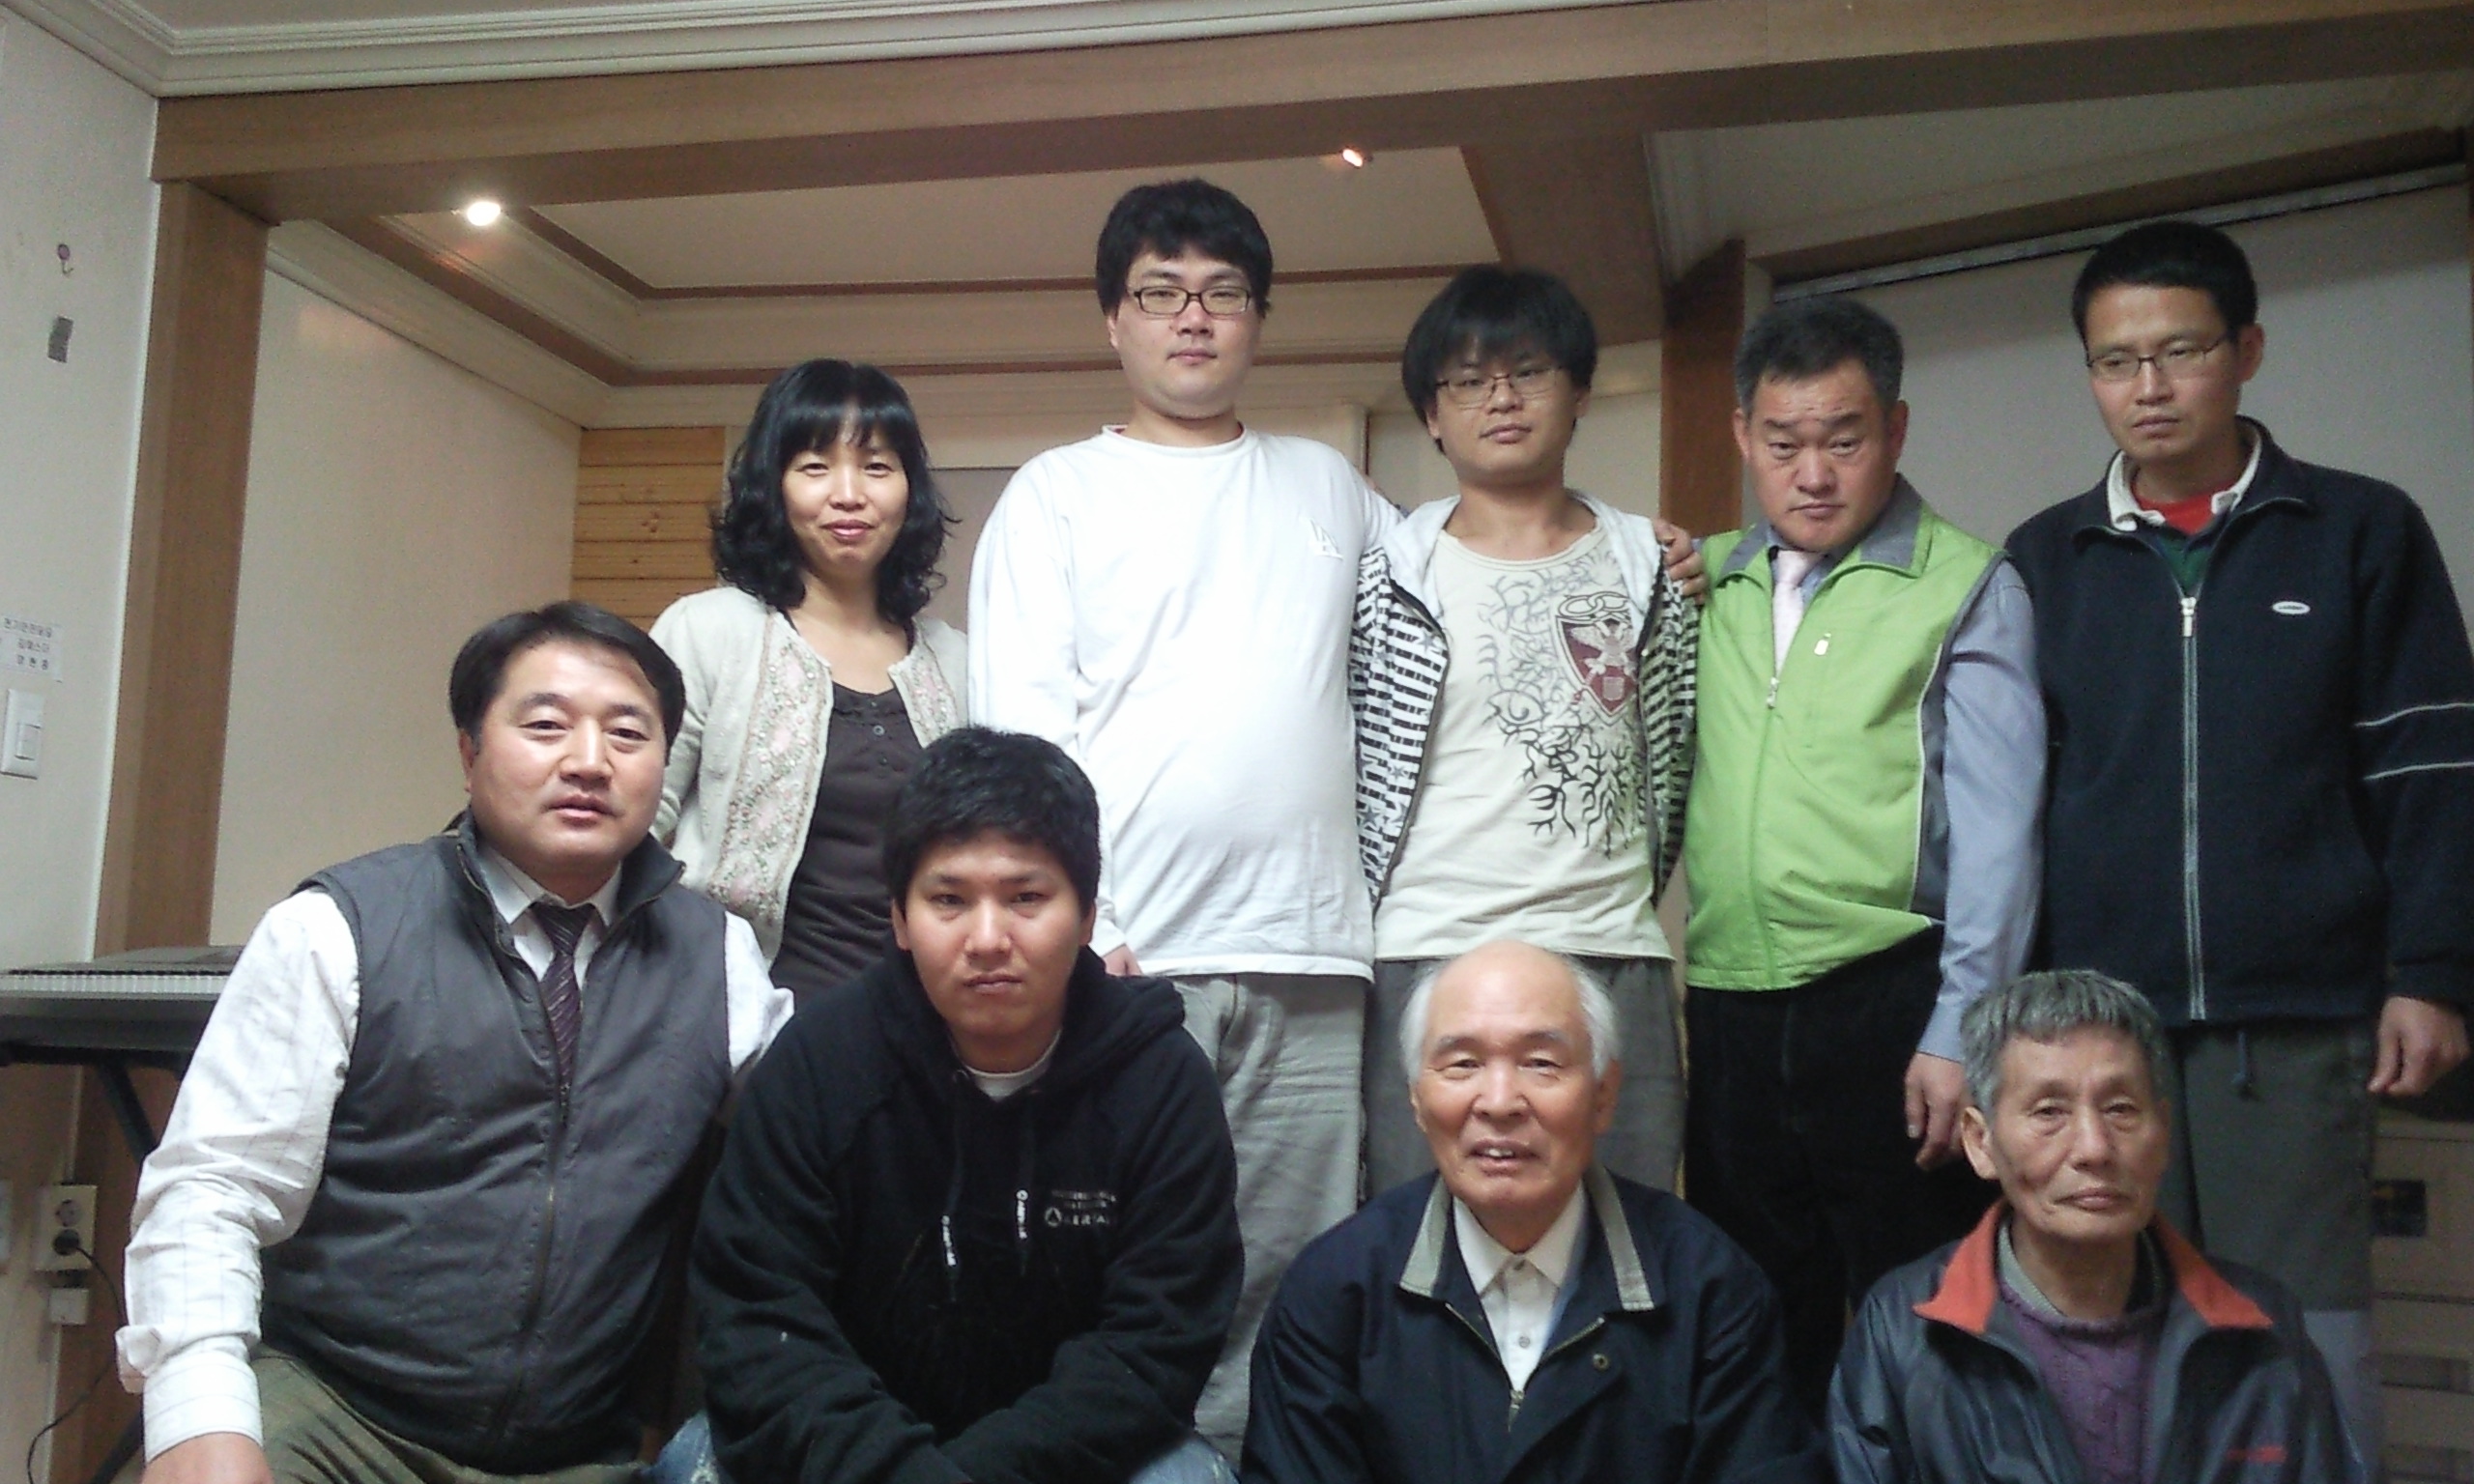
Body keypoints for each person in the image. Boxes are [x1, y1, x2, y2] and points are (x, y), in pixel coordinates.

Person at [117, 603, 793, 1484]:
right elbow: (214, 1188)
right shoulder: (340, 927)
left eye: (629, 734)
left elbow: (821, 1134)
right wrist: (200, 1419)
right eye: (546, 726)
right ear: (470, 753)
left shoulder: (716, 955)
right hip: (337, 1417)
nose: (589, 761)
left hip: (576, 1450)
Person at [2003, 218, 2474, 1461]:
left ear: (2247, 351)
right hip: (2103, 1033)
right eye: (2115, 361)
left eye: (2181, 351)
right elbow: (2008, 807)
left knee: (2300, 1343)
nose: (2148, 387)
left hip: (2298, 1020)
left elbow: (2427, 767)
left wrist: (2431, 973)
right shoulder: (2045, 559)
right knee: (2112, 1335)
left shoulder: (2358, 530)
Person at [965, 177, 1397, 1450]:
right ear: (1115, 320)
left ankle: (1251, 1468)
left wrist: (1634, 544)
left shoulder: (1329, 487)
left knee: (1297, 1271)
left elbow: (1458, 586)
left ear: (1258, 318)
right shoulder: (1057, 493)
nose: (1193, 318)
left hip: (1314, 953)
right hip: (1129, 960)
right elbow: (1022, 742)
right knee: (1116, 1257)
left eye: (1222, 293)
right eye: (1161, 294)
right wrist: (1073, 931)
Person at [686, 727, 1245, 1484]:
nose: (987, 939)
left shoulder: (1160, 1079)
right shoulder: (821, 1062)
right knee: (695, 1463)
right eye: (948, 900)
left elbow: (1156, 1344)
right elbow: (758, 1315)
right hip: (858, 1456)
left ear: (1087, 917)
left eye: (1026, 898)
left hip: (1070, 1458)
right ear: (898, 918)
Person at [1682, 294, 2043, 1413]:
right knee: (1748, 1324)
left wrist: (1958, 1028)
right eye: (1781, 443)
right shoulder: (1703, 580)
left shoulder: (1965, 582)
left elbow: (2000, 835)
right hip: (1729, 1004)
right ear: (1742, 436)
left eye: (1842, 441)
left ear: (1894, 429)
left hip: (1889, 1002)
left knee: (1920, 1318)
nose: (1812, 475)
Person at [1353, 265, 1695, 1199]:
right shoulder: (1386, 573)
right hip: (1429, 944)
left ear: (1579, 391)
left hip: (1610, 945)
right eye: (1468, 381)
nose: (1500, 399)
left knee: (1631, 1236)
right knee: (1421, 1239)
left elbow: (1674, 757)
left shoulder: (1650, 565)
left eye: (1529, 372)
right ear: (1432, 414)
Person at [1242, 941, 1826, 1484]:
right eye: (1462, 1064)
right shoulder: (1335, 1291)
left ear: (1604, 1095)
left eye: (1541, 1063)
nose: (1499, 1103)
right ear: (1417, 1099)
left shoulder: (1710, 1288)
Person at [1831, 970, 2361, 1483]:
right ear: (1980, 1141)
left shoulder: (2262, 1330)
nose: (2094, 1148)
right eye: (2049, 1112)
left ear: (2163, 1131)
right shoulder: (1903, 1332)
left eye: (2120, 1109)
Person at [653, 358, 966, 997]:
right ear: (775, 485)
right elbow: (638, 819)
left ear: (909, 489)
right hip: (740, 1012)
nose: (848, 494)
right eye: (815, 466)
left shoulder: (956, 659)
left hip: (926, 1018)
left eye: (876, 467)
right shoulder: (708, 631)